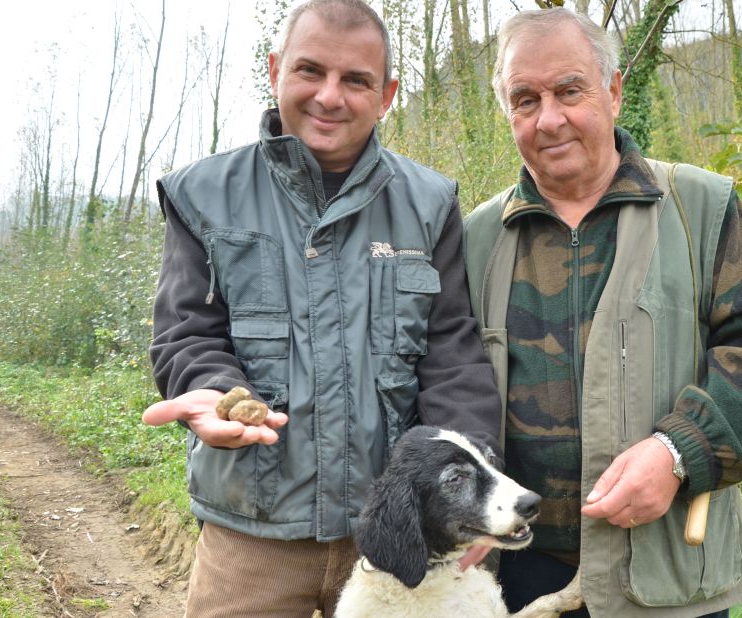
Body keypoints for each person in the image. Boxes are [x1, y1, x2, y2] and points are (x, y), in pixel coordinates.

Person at [141, 1, 501, 615]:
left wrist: (472, 497)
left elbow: (452, 357)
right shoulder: (201, 194)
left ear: (386, 94)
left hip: (395, 540)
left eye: (356, 79)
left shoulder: (430, 204)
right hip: (250, 536)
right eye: (310, 71)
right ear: (277, 69)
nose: (330, 97)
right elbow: (186, 335)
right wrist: (215, 390)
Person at [463, 8, 742, 617]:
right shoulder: (474, 240)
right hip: (516, 575)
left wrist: (679, 452)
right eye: (525, 99)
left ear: (614, 90)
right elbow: (445, 383)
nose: (550, 119)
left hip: (667, 571)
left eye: (570, 90)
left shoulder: (700, 207)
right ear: (506, 112)